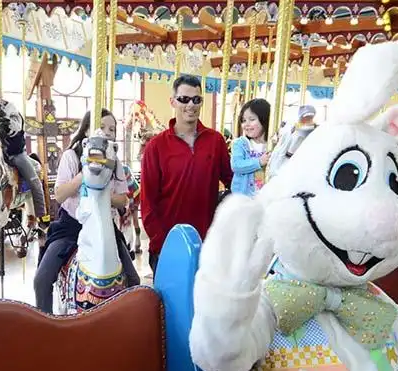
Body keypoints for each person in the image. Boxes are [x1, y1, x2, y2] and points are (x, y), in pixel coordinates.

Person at [32, 109, 139, 314]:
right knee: (42, 280)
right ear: (88, 130)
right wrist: (87, 173)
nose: (107, 132)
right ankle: (43, 324)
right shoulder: (71, 156)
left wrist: (100, 194)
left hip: (104, 228)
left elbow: (123, 200)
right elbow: (61, 194)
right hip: (71, 227)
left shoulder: (115, 162)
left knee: (133, 279)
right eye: (103, 127)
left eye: (112, 129)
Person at [140, 74, 232, 274]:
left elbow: (233, 181)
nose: (191, 105)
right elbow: (148, 204)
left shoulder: (215, 141)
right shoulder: (156, 147)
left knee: (205, 305)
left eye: (196, 99)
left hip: (206, 246)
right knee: (169, 305)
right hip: (168, 247)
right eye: (184, 99)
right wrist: (163, 244)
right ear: (172, 101)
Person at [0, 76, 48, 225]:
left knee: (34, 180)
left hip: (13, 153)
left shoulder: (7, 107)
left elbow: (15, 127)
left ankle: (41, 215)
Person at [230, 98, 271, 196]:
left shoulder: (272, 145)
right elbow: (236, 165)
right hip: (244, 197)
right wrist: (259, 162)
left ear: (264, 119)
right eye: (243, 121)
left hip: (265, 196)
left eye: (252, 119)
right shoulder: (240, 144)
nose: (246, 124)